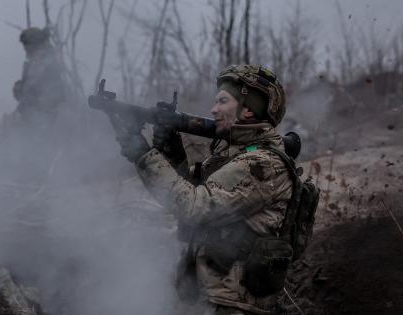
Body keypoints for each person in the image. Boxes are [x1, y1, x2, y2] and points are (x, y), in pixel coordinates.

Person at [116, 64, 295, 314]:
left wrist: (144, 156)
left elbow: (194, 206)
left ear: (249, 111)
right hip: (208, 299)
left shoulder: (262, 164)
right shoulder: (233, 156)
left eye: (223, 101)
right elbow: (188, 198)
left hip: (235, 307)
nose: (213, 109)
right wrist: (173, 156)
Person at [13, 27, 67, 127]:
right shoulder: (38, 60)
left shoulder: (43, 60)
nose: (25, 48)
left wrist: (20, 89)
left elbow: (31, 89)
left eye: (26, 44)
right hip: (41, 113)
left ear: (33, 43)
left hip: (45, 115)